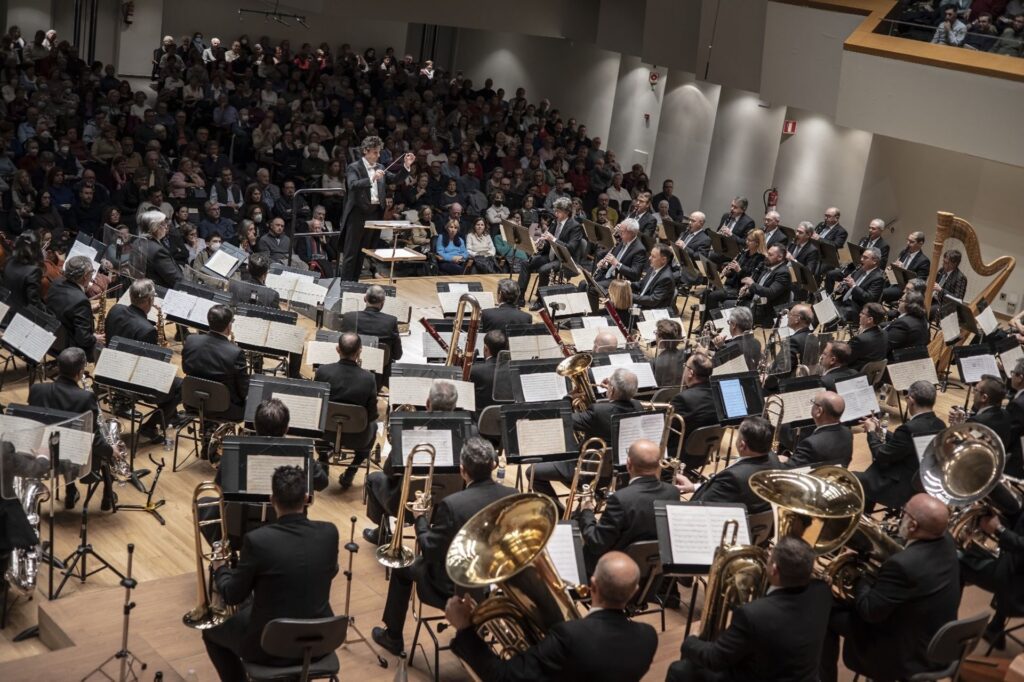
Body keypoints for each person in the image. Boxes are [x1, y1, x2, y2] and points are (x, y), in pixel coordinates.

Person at [370, 437, 517, 655]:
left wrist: (420, 518)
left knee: (402, 566)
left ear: (462, 470)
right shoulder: (513, 495)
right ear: (494, 465)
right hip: (496, 586)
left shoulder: (453, 505)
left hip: (453, 588)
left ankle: (393, 637)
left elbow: (429, 550)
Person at [202, 465, 339, 681]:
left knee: (211, 633)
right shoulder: (330, 533)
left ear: (272, 499)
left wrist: (221, 568)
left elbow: (232, 595)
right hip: (320, 642)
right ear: (306, 498)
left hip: (269, 647)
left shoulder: (258, 541)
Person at [446, 551, 657, 682]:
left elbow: (501, 676)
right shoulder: (648, 637)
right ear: (634, 591)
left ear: (593, 585)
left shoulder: (569, 635)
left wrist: (465, 629)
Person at [821, 493, 960, 682]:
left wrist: (859, 574)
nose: (900, 517)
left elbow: (869, 611)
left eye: (904, 513)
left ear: (913, 525)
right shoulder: (947, 541)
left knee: (825, 610)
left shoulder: (903, 565)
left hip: (904, 656)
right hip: (936, 642)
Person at [668, 537, 831, 682]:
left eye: (770, 556)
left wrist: (691, 641)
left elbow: (715, 659)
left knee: (679, 670)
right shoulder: (823, 592)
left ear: (774, 569)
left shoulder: (753, 615)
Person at [363, 380, 462, 542]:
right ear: (455, 405)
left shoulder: (409, 428)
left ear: (427, 403)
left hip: (407, 505)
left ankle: (381, 533)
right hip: (449, 507)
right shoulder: (467, 431)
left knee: (373, 479)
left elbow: (389, 471)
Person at [528, 368, 642, 509]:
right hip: (618, 474)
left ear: (612, 389)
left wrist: (568, 399)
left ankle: (559, 512)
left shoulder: (598, 412)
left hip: (586, 472)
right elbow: (618, 406)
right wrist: (613, 392)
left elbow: (563, 420)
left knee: (532, 472)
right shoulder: (638, 406)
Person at [29, 348, 115, 510]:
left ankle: (71, 492)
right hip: (77, 459)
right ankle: (108, 497)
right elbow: (94, 440)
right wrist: (111, 450)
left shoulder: (37, 390)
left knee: (63, 441)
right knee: (102, 447)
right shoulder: (85, 398)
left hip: (44, 455)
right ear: (80, 371)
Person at [574, 439, 678, 572]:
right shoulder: (673, 492)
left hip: (616, 568)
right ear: (659, 464)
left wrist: (586, 511)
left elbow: (597, 543)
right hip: (654, 567)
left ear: (629, 464)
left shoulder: (620, 499)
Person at [857, 380, 946, 511]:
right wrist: (880, 430)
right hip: (922, 481)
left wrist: (871, 432)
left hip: (902, 486)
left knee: (856, 479)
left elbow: (881, 454)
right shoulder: (940, 424)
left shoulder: (909, 428)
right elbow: (905, 443)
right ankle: (866, 511)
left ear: (911, 400)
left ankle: (863, 514)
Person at [339, 136, 413, 280]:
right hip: (357, 214)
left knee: (363, 252)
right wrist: (372, 178)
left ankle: (354, 284)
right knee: (351, 253)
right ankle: (345, 286)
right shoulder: (354, 167)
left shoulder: (380, 167)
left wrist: (406, 166)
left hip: (373, 215)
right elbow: (352, 185)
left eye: (379, 152)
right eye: (375, 152)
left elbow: (395, 179)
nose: (378, 155)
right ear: (365, 151)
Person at [313, 333, 379, 489]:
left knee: (317, 418)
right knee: (374, 425)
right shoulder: (369, 378)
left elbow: (315, 405)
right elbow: (372, 415)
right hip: (357, 438)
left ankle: (323, 458)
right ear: (359, 351)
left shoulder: (322, 371)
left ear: (337, 349)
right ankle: (352, 470)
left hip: (325, 433)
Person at [675, 416, 778, 513]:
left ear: (742, 445)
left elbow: (701, 506)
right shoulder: (775, 460)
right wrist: (693, 487)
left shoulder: (733, 477)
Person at [182, 305, 250, 422]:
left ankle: (209, 425)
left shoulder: (190, 340)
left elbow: (186, 369)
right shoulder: (236, 353)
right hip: (225, 410)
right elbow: (244, 391)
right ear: (229, 326)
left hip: (193, 402)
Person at [517, 196, 584, 309]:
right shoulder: (554, 222)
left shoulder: (575, 226)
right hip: (550, 256)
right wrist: (541, 244)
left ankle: (540, 300)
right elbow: (548, 243)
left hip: (564, 260)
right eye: (555, 210)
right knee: (525, 263)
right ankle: (520, 298)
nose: (555, 213)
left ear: (566, 212)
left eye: (558, 211)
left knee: (544, 270)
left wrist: (553, 239)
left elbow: (571, 248)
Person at [46, 255, 104, 362]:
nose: (92, 275)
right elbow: (84, 340)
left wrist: (88, 310)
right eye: (92, 272)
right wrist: (95, 338)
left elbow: (65, 309)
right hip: (70, 348)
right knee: (104, 347)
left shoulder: (56, 283)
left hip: (51, 338)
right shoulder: (80, 300)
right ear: (85, 276)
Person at [339, 285, 402, 381]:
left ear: (365, 299)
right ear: (383, 303)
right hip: (378, 378)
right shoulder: (391, 321)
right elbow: (397, 355)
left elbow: (342, 346)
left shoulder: (349, 317)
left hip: (348, 373)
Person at [668, 352, 719, 467]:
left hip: (678, 458)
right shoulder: (718, 395)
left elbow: (667, 432)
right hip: (704, 455)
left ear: (690, 373)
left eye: (685, 366)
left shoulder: (682, 399)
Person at [783, 392, 853, 469]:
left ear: (819, 411)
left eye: (813, 403)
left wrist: (782, 460)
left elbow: (788, 469)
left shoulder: (811, 443)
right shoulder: (847, 432)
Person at [823, 220, 889, 294]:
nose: (870, 230)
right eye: (869, 228)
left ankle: (842, 296)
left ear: (881, 230)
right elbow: (855, 253)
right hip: (853, 268)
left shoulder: (884, 245)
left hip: (864, 272)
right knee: (830, 274)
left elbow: (881, 265)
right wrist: (844, 259)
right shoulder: (864, 239)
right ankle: (828, 296)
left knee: (845, 286)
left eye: (873, 229)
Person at [134, 210, 182, 289]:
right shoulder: (157, 251)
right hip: (160, 291)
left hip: (142, 288)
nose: (166, 226)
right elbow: (175, 279)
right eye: (163, 224)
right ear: (154, 227)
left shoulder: (137, 242)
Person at [837, 247, 885, 322]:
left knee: (831, 317)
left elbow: (870, 298)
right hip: (844, 301)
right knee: (824, 307)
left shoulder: (878, 278)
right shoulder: (860, 269)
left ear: (874, 261)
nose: (861, 259)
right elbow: (849, 287)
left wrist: (853, 286)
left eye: (865, 258)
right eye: (862, 256)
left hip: (857, 309)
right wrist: (842, 288)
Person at [881, 231, 931, 303]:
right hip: (893, 282)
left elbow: (919, 284)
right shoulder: (904, 252)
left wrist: (903, 269)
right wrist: (890, 271)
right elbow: (894, 276)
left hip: (904, 289)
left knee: (880, 293)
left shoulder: (924, 261)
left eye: (911, 242)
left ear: (920, 243)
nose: (908, 243)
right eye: (908, 240)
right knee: (872, 285)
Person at [3, 232, 44, 312]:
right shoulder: (33, 271)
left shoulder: (9, 261)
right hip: (19, 313)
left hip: (5, 306)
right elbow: (33, 302)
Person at [470, 329, 507, 417]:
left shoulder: (474, 370)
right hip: (509, 420)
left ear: (486, 349)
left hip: (481, 421)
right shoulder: (515, 370)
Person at [630, 244, 676, 310]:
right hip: (641, 303)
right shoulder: (653, 267)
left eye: (653, 256)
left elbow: (653, 300)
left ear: (663, 260)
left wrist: (630, 296)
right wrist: (628, 284)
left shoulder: (666, 278)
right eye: (650, 255)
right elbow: (642, 284)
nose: (649, 258)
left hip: (651, 310)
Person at [847, 303, 888, 371]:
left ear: (870, 319)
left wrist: (859, 335)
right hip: (873, 373)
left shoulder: (860, 339)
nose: (859, 315)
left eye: (862, 313)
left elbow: (844, 359)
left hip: (855, 373)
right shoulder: (885, 333)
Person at [931, 249, 968, 321]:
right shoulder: (941, 270)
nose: (943, 264)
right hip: (933, 299)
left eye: (946, 262)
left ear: (954, 264)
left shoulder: (960, 278)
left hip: (944, 306)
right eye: (943, 261)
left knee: (926, 310)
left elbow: (958, 298)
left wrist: (941, 290)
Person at [653, 319, 685, 387]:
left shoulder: (655, 362)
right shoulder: (685, 356)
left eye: (656, 333)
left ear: (661, 339)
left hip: (661, 393)